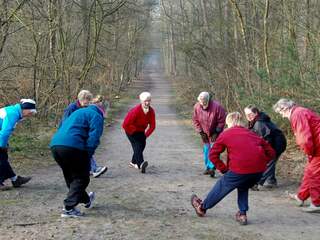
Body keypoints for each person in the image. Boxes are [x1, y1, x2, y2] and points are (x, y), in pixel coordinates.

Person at [191, 112, 275, 225]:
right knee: (243, 185)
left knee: (222, 186)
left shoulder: (226, 134)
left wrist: (224, 169)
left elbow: (212, 155)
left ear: (228, 122)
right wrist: (261, 164)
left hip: (240, 169)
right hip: (258, 172)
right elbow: (271, 152)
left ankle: (202, 207)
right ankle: (242, 213)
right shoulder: (252, 134)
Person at [50, 103, 105, 217]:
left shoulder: (77, 112)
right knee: (82, 178)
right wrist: (88, 154)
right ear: (102, 111)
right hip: (73, 147)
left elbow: (62, 125)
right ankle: (68, 208)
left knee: (71, 177)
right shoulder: (97, 116)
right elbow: (94, 137)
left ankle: (86, 200)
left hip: (55, 145)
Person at [273, 98, 320, 213]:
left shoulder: (297, 115)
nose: (283, 116)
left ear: (285, 108)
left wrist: (309, 153)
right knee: (310, 172)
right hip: (317, 146)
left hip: (318, 148)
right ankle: (301, 197)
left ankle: (317, 204)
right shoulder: (300, 111)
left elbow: (304, 138)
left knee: (313, 174)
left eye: (281, 113)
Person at [60, 90, 107, 178]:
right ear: (81, 99)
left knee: (85, 148)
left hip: (80, 132)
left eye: (89, 101)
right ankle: (93, 169)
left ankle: (90, 168)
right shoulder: (71, 108)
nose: (88, 103)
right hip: (69, 133)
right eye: (86, 101)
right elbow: (65, 122)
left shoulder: (85, 107)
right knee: (82, 150)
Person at [244, 105, 287, 190]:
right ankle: (271, 181)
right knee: (269, 161)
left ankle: (257, 183)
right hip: (272, 143)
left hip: (277, 144)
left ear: (256, 113)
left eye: (250, 114)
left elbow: (265, 140)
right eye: (246, 114)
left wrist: (263, 152)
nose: (248, 116)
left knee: (268, 162)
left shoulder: (260, 123)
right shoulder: (255, 120)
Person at [0, 99, 37, 191]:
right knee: (1, 157)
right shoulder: (13, 114)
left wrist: (4, 144)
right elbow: (5, 133)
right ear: (26, 109)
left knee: (3, 158)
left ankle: (15, 179)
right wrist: (2, 146)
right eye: (30, 113)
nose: (30, 115)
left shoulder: (14, 111)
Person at [192, 92, 226, 177]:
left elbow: (222, 121)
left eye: (204, 102)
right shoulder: (196, 107)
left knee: (214, 149)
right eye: (201, 102)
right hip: (204, 132)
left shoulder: (217, 107)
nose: (202, 104)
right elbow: (195, 120)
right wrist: (201, 132)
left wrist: (217, 132)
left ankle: (212, 168)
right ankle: (207, 167)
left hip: (215, 132)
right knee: (206, 150)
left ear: (208, 100)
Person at [122, 92, 156, 173]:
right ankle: (140, 163)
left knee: (142, 145)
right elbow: (125, 124)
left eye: (149, 101)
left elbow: (152, 126)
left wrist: (145, 135)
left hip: (141, 131)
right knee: (137, 145)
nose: (147, 103)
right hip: (130, 130)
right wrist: (133, 132)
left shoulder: (151, 111)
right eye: (145, 101)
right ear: (141, 101)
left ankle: (133, 162)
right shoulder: (135, 111)